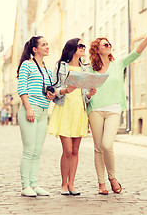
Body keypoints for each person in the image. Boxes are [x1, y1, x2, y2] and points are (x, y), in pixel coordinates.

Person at [87, 20, 147, 195]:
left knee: (107, 145)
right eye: (105, 44)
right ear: (97, 50)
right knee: (98, 148)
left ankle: (112, 177)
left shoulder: (118, 63)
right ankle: (101, 184)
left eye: (109, 43)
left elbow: (137, 52)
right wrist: (89, 94)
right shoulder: (90, 69)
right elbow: (86, 94)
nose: (109, 45)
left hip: (113, 109)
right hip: (95, 109)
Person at [48, 38, 96, 196]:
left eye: (84, 46)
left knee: (75, 150)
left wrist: (89, 94)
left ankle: (71, 184)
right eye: (81, 46)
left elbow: (85, 95)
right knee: (67, 150)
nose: (84, 48)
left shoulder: (85, 68)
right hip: (65, 109)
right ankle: (63, 184)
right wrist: (64, 90)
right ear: (72, 48)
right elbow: (52, 89)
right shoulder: (60, 66)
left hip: (79, 110)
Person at [17, 35, 56, 197]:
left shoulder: (47, 70)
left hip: (43, 111)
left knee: (37, 151)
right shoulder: (27, 65)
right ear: (35, 49)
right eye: (44, 44)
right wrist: (28, 109)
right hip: (30, 109)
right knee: (29, 150)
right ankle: (25, 185)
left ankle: (34, 185)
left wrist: (51, 95)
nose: (47, 47)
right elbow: (22, 88)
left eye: (48, 44)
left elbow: (48, 90)